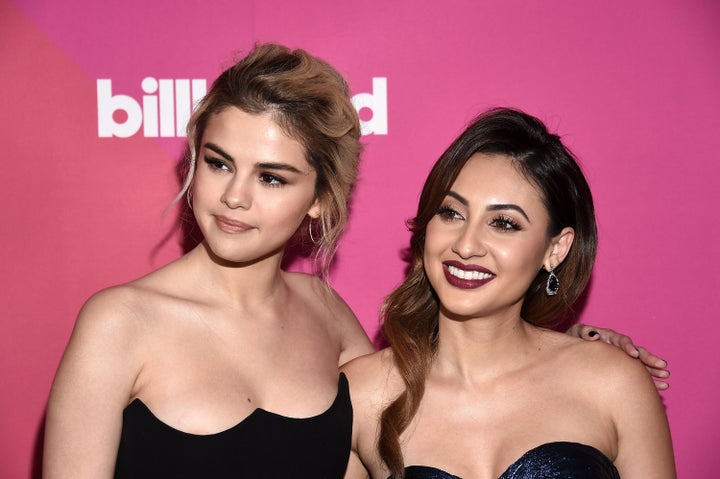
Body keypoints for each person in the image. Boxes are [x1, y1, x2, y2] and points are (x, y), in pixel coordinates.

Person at [43, 43, 667, 478]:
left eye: (272, 177)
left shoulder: (327, 317)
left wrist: (579, 345)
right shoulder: (119, 323)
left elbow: (441, 378)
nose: (234, 196)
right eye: (218, 162)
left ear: (319, 201)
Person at [343, 108, 676, 478]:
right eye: (452, 213)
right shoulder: (361, 396)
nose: (467, 245)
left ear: (556, 249)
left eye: (504, 223)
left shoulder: (613, 382)